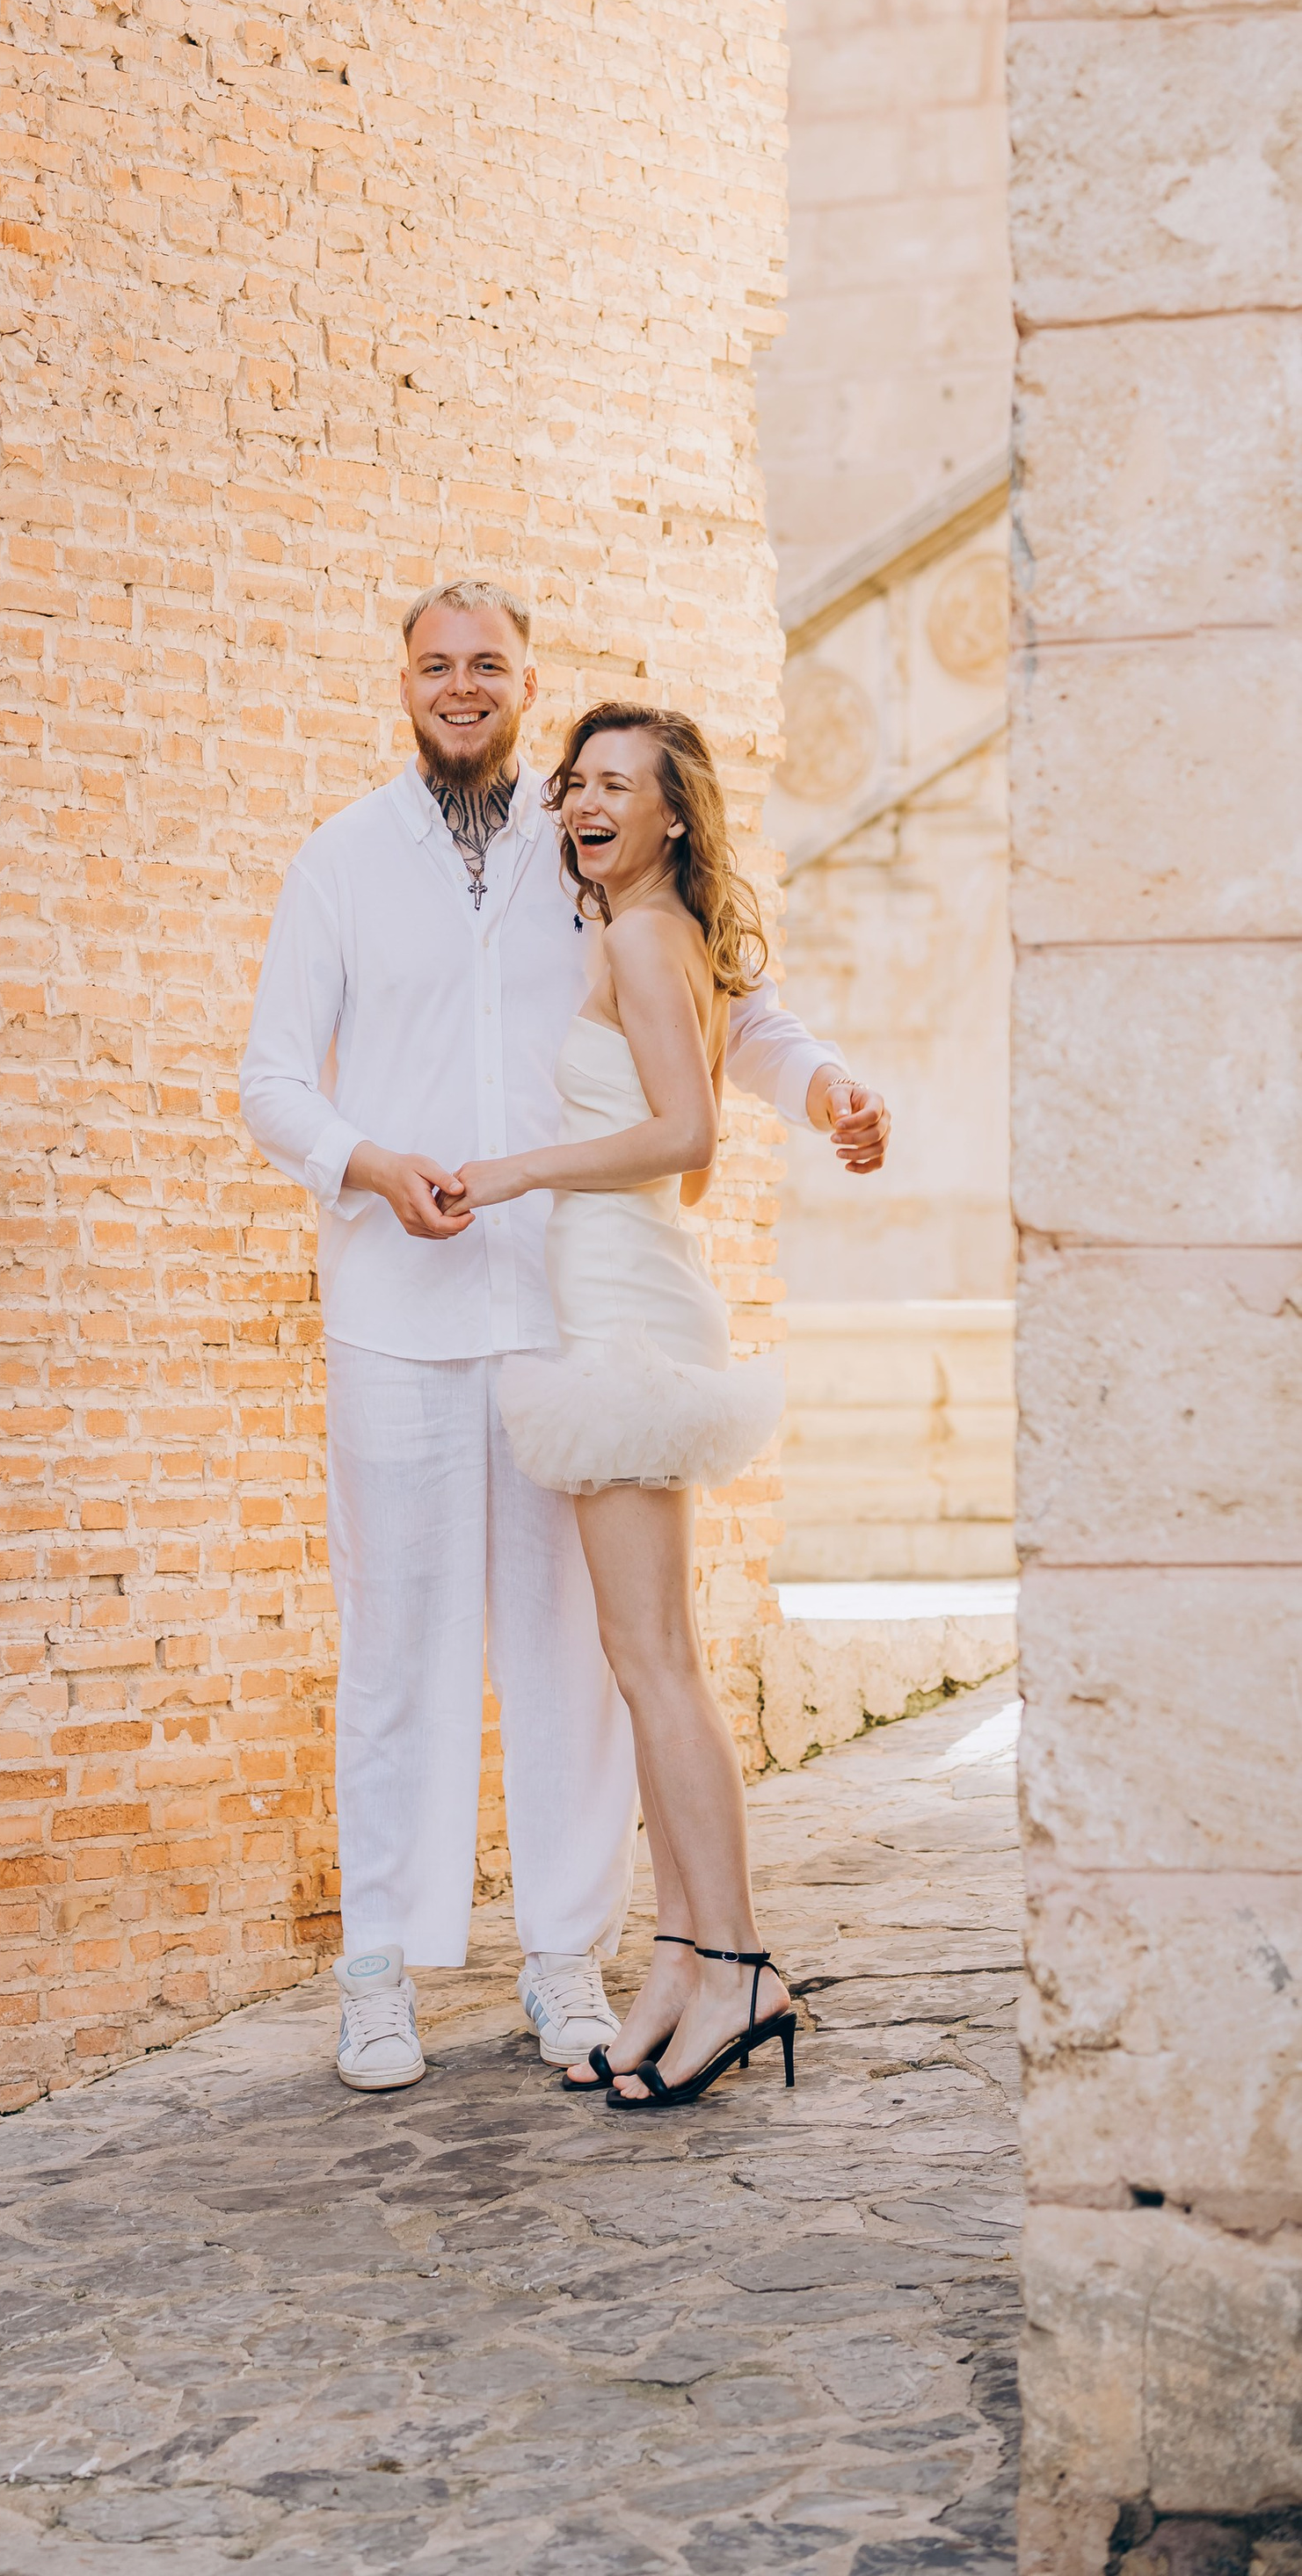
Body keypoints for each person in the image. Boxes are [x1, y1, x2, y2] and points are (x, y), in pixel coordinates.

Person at [238, 582, 888, 2094]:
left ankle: (566, 1961)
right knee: (395, 1648)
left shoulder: (587, 839)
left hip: (560, 1305)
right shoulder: (339, 862)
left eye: (489, 665)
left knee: (575, 1661)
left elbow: (736, 1001)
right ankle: (381, 1973)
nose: (462, 686)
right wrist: (372, 1164)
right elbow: (272, 1080)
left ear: (527, 682)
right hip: (394, 1312)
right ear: (403, 681)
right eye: (436, 665)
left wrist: (830, 1088)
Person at [455, 701, 805, 2105]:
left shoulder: (651, 940)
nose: (586, 802)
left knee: (655, 1663)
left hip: (624, 1318)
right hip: (616, 1298)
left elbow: (688, 1134)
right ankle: (685, 1958)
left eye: (618, 784)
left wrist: (522, 1170)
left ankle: (733, 1966)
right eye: (575, 783)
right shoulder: (638, 934)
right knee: (647, 1658)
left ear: (672, 816)